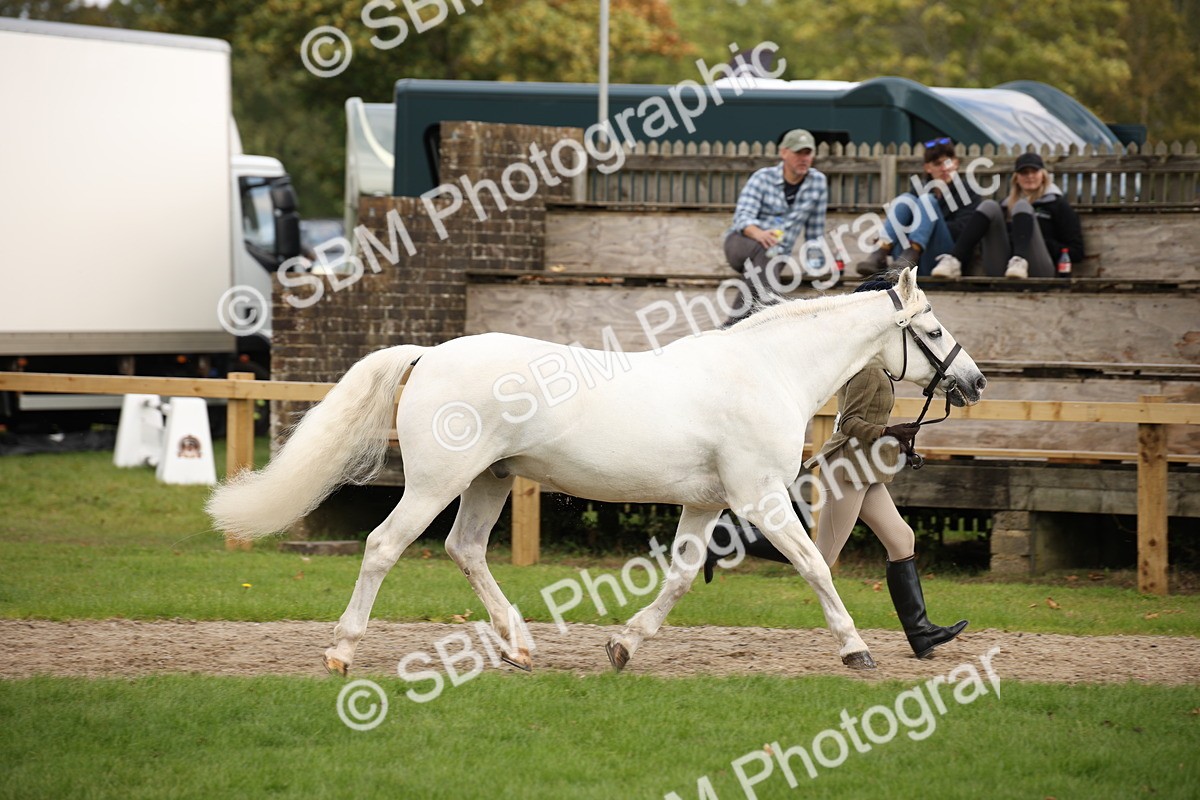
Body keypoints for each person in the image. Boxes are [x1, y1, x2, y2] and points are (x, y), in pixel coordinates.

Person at [704, 277, 968, 660]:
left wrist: (894, 439)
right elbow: (849, 423)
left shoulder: (875, 363)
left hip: (866, 468)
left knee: (902, 540)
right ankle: (723, 539)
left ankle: (921, 633)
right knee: (822, 556)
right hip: (847, 467)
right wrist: (888, 432)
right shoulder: (866, 369)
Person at [724, 128, 828, 320]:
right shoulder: (762, 177)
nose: (804, 158)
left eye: (808, 153)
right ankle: (772, 310)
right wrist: (759, 234)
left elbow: (815, 231)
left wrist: (816, 264)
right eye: (798, 153)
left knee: (761, 269)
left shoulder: (818, 182)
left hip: (776, 256)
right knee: (766, 251)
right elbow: (742, 218)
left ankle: (732, 325)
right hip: (741, 243)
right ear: (784, 153)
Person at [930, 152, 1084, 279]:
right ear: (1016, 177)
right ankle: (953, 260)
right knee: (989, 205)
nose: (1029, 176)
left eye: (1034, 171)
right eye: (1024, 172)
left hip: (1039, 270)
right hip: (1004, 269)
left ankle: (1020, 260)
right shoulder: (1004, 206)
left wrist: (1042, 243)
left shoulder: (1057, 204)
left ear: (1043, 175)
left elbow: (1076, 251)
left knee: (1022, 205)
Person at [856, 138, 981, 277]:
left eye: (948, 162)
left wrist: (926, 226)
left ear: (956, 163)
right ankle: (880, 251)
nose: (944, 168)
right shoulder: (918, 189)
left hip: (943, 260)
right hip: (904, 263)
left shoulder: (968, 192)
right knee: (905, 199)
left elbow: (963, 232)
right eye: (937, 164)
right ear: (928, 168)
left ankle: (913, 251)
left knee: (927, 200)